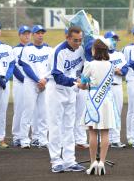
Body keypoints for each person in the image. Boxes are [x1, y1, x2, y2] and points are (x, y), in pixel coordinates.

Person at [47, 26, 86, 173]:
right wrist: (76, 83)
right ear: (67, 38)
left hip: (71, 90)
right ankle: (56, 161)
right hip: (56, 90)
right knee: (55, 126)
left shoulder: (81, 49)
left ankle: (69, 161)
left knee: (69, 126)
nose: (78, 43)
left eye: (80, 40)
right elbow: (57, 76)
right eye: (75, 40)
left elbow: (81, 70)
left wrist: (81, 80)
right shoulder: (59, 51)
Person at [81, 37, 119, 176]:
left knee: (92, 132)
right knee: (105, 132)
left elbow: (83, 84)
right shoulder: (111, 65)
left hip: (93, 100)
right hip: (107, 100)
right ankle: (102, 162)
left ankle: (93, 163)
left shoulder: (89, 65)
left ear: (95, 50)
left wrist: (80, 84)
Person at [19, 25, 51, 149]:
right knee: (28, 111)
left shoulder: (49, 50)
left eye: (42, 32)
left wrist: (45, 80)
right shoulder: (27, 49)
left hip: (45, 83)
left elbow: (52, 68)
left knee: (44, 113)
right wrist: (38, 80)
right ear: (33, 35)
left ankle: (43, 139)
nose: (40, 35)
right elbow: (26, 67)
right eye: (38, 33)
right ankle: (24, 139)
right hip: (31, 83)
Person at [104, 31, 128, 148]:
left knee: (117, 113)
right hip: (104, 88)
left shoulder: (120, 55)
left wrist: (121, 72)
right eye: (111, 39)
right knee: (104, 114)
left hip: (117, 86)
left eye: (115, 39)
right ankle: (103, 140)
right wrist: (112, 69)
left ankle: (115, 139)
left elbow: (126, 69)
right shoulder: (101, 55)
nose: (114, 41)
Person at [11, 25, 31, 147]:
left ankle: (32, 136)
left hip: (32, 84)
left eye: (28, 33)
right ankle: (17, 136)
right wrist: (25, 79)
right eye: (24, 34)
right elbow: (13, 68)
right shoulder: (14, 50)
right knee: (19, 110)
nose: (27, 36)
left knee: (31, 111)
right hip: (20, 83)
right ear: (20, 35)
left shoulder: (32, 49)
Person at [123, 26, 134, 145]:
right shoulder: (128, 48)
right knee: (132, 109)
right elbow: (124, 63)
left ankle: (131, 135)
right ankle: (130, 135)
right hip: (132, 80)